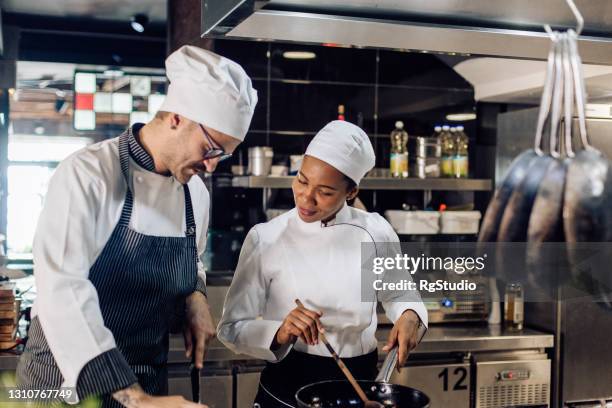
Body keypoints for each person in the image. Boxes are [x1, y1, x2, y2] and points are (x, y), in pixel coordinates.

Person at [16, 45, 258, 407]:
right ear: (177, 117)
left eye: (223, 154)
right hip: (64, 383)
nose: (212, 167)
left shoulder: (196, 194)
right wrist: (136, 399)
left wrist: (195, 294)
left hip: (145, 378)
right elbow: (61, 289)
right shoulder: (88, 173)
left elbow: (193, 261)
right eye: (210, 148)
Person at [217, 120, 427, 407]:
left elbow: (401, 295)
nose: (306, 197)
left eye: (325, 192)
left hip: (359, 385)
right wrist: (279, 331)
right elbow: (231, 327)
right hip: (286, 388)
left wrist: (410, 316)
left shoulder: (375, 231)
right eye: (302, 180)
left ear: (351, 192)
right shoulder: (265, 238)